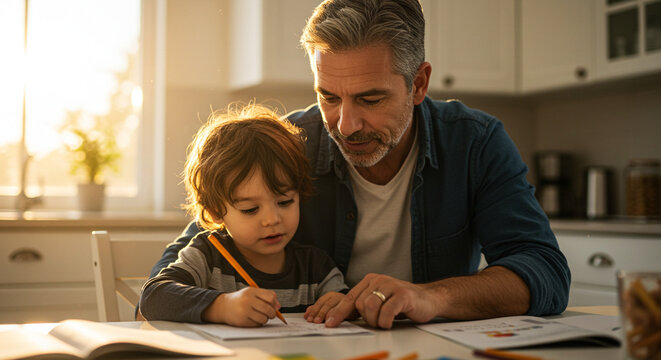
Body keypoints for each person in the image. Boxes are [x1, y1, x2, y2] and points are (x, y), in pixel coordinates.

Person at [147, 0, 570, 329]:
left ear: (418, 84)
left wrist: (431, 297)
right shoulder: (288, 144)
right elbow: (171, 270)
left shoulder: (475, 143)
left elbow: (544, 270)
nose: (346, 125)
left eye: (370, 99)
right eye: (328, 97)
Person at [139, 104, 348, 327]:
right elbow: (153, 298)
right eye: (250, 209)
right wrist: (222, 306)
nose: (272, 219)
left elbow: (344, 304)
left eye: (285, 202)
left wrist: (339, 303)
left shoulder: (315, 266)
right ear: (216, 211)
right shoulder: (208, 256)